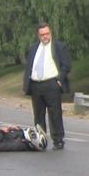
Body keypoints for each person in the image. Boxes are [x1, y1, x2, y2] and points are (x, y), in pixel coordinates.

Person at [24, 21, 71, 149]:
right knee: (38, 115)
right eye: (42, 34)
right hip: (36, 85)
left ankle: (58, 140)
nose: (45, 37)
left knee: (55, 113)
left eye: (47, 34)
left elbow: (66, 65)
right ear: (38, 35)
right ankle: (40, 140)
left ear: (51, 33)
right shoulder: (33, 48)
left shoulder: (59, 47)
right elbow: (29, 65)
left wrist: (59, 79)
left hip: (51, 84)